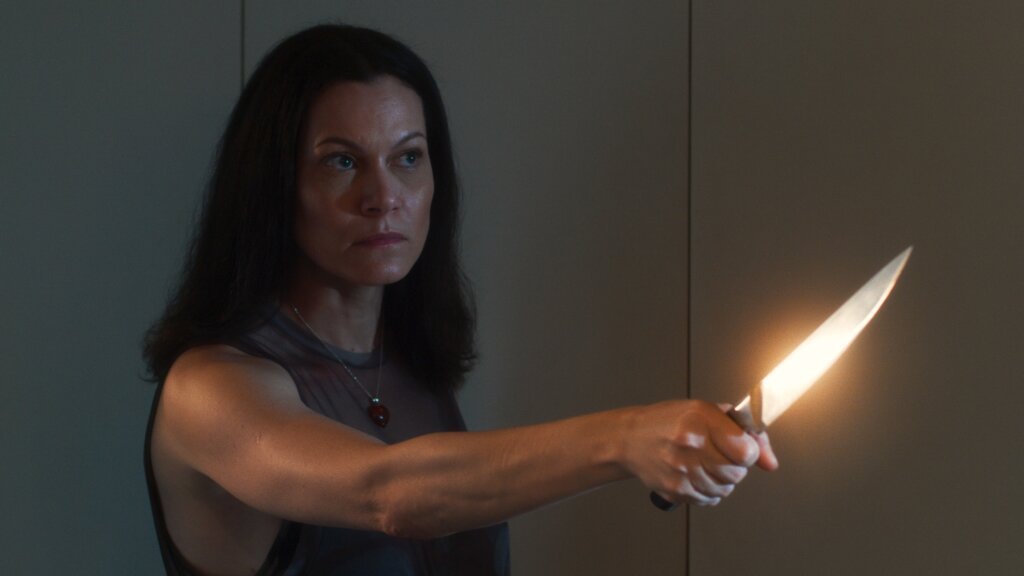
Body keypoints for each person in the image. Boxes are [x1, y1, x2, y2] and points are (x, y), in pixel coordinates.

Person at [143, 23, 777, 576]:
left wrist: (669, 447)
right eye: (342, 163)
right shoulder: (208, 390)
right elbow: (388, 493)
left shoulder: (410, 368)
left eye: (408, 158)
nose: (383, 197)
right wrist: (629, 439)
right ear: (274, 184)